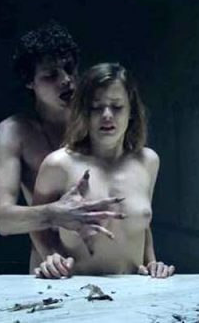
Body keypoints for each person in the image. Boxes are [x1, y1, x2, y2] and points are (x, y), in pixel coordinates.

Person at [0, 23, 125, 273]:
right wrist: (56, 213)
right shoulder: (14, 132)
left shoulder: (102, 122)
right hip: (49, 263)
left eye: (70, 69)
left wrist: (149, 259)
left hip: (107, 259)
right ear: (30, 82)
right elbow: (3, 220)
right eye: (51, 75)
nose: (66, 80)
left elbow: (134, 191)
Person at [30, 63, 174, 279]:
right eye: (96, 107)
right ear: (84, 113)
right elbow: (36, 223)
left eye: (117, 107)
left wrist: (152, 264)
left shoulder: (148, 161)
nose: (107, 115)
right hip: (74, 289)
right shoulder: (58, 164)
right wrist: (51, 257)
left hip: (135, 290)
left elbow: (142, 224)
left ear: (131, 111)